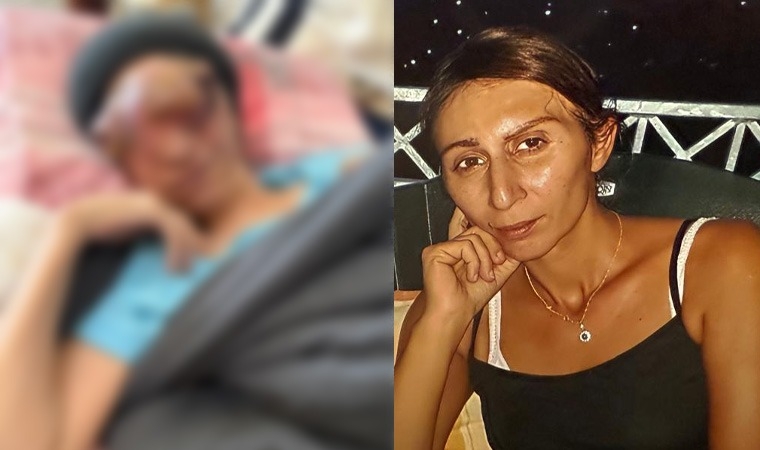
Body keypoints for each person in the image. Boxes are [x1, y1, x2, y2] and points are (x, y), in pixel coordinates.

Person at [0, 13, 364, 450]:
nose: (176, 149)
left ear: (230, 106)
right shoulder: (150, 280)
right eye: (133, 138)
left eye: (189, 111)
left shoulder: (339, 173)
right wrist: (68, 230)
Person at [395, 27, 760, 450]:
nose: (502, 195)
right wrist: (443, 320)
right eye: (469, 162)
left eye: (530, 144)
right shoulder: (461, 304)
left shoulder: (723, 264)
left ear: (598, 143)